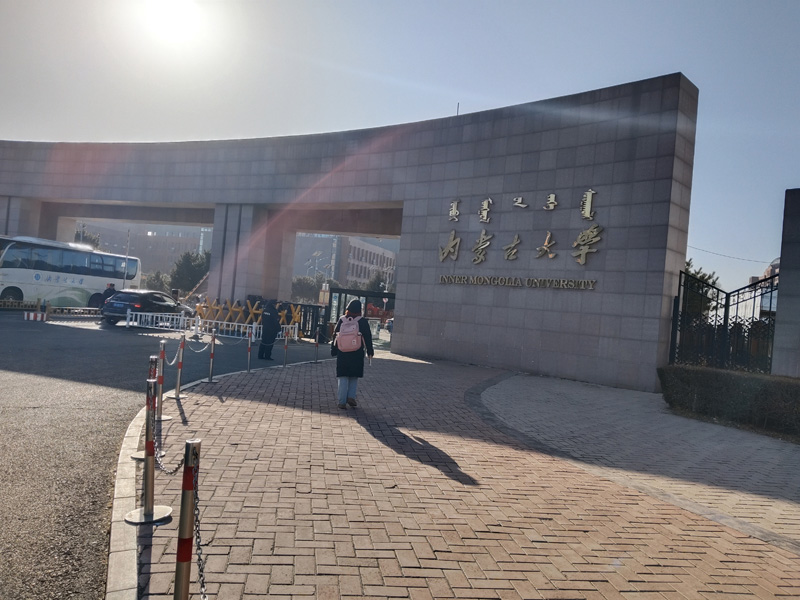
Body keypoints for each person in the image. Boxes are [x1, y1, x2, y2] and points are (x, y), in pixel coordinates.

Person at [331, 299, 374, 409]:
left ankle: (341, 401)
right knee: (354, 376)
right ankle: (351, 397)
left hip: (342, 352)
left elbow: (335, 335)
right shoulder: (362, 321)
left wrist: (333, 349)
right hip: (357, 352)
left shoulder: (342, 320)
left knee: (343, 376)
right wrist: (370, 351)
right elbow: (368, 337)